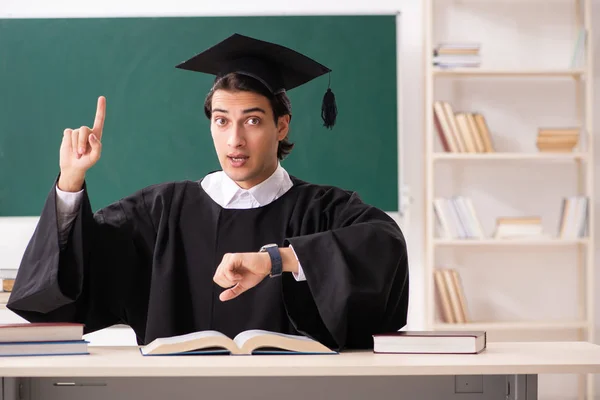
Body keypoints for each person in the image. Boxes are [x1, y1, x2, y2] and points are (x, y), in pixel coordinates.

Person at [7, 33, 409, 351]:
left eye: (252, 120)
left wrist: (280, 260)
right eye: (221, 120)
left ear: (281, 126)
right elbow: (65, 289)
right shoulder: (161, 211)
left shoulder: (323, 210)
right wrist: (70, 182)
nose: (234, 139)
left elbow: (384, 247)